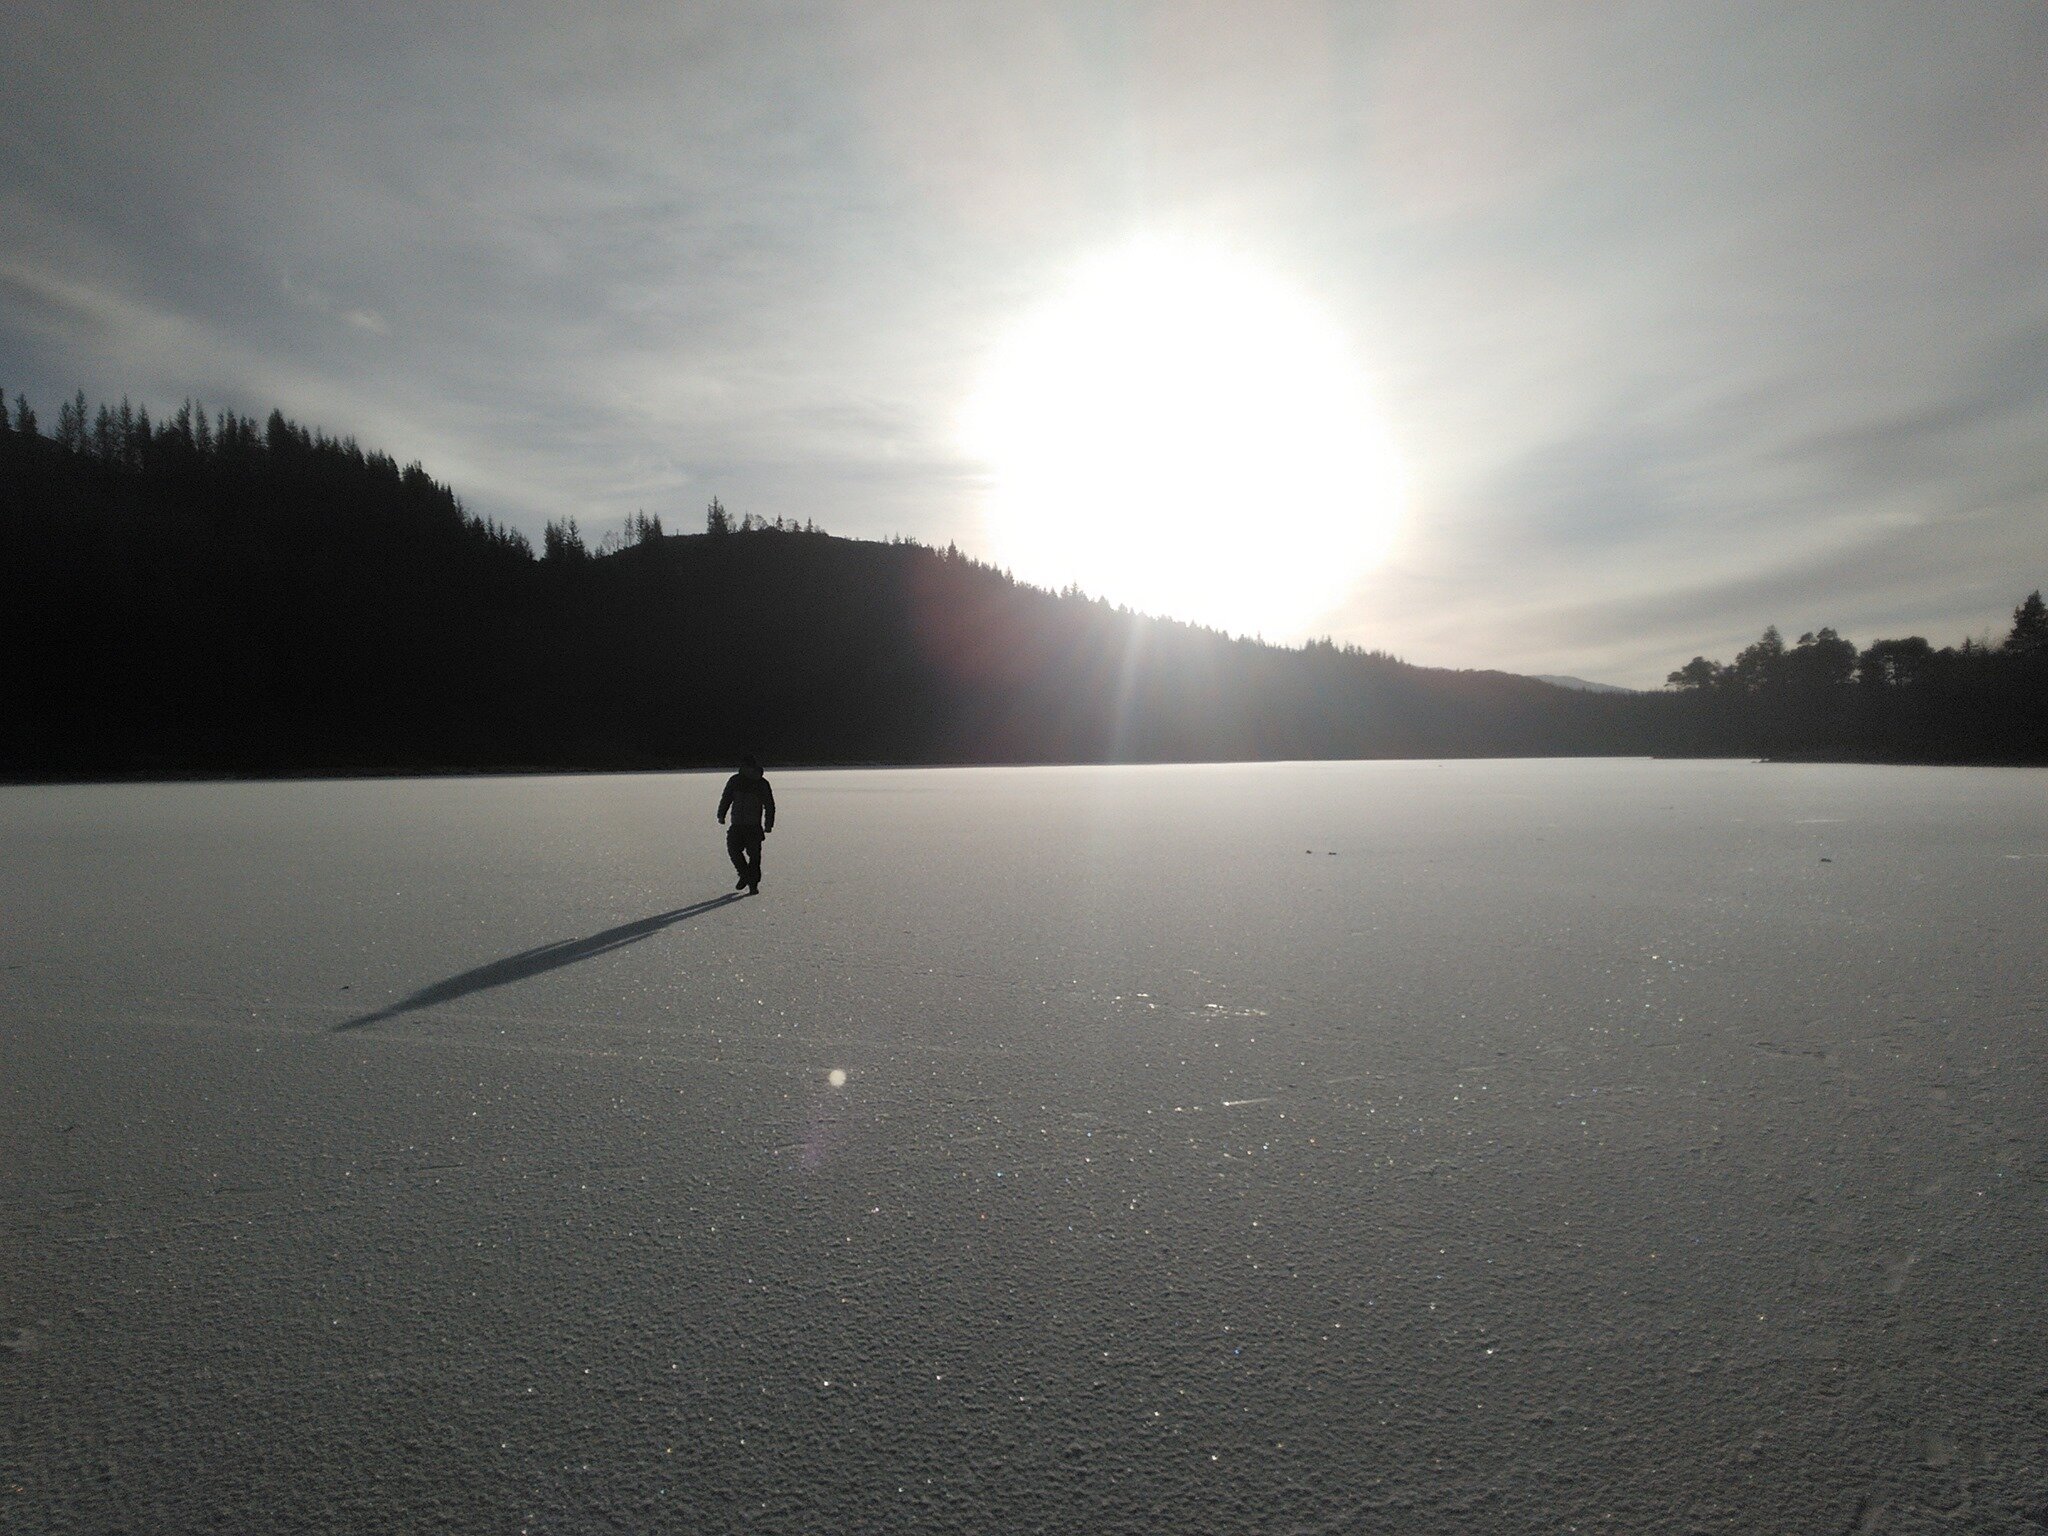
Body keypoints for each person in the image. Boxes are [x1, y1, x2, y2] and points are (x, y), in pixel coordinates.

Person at [716, 756, 776, 894]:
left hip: (753, 826)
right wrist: (721, 814)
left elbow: (769, 805)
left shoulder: (761, 783)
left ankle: (752, 885)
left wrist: (768, 824)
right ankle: (745, 875)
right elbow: (727, 798)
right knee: (735, 851)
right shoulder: (735, 780)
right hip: (737, 824)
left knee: (753, 856)